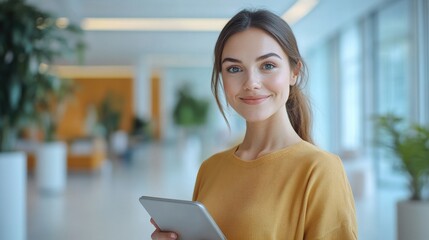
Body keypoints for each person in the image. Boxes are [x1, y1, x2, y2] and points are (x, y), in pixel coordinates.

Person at [151, 9, 357, 240]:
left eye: (267, 65)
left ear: (294, 72)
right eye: (234, 69)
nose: (251, 83)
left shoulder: (320, 169)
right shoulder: (210, 169)